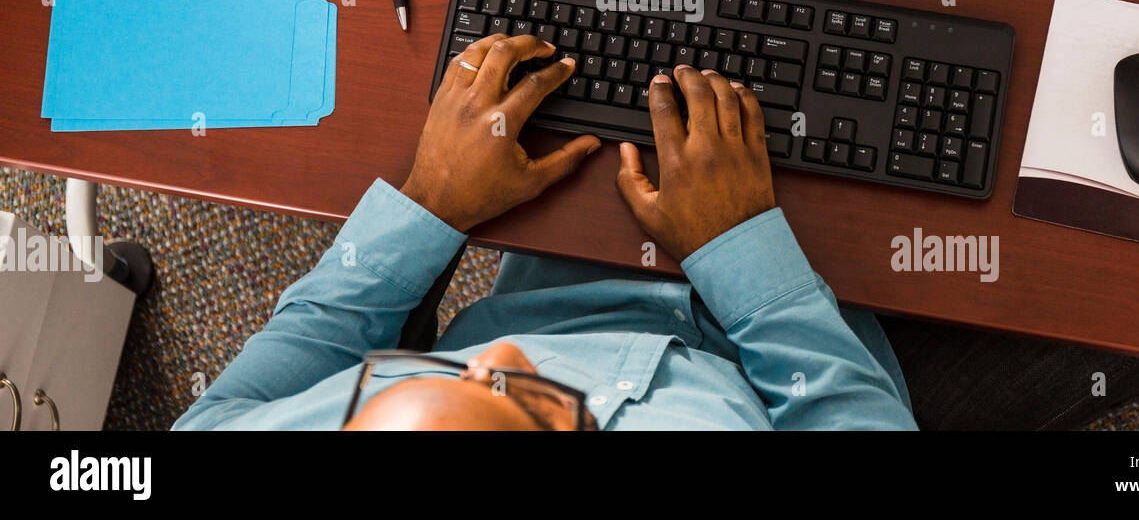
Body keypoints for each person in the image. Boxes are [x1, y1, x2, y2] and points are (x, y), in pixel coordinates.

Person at [173, 33, 918, 430]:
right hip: (794, 328)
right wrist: (744, 249)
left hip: (561, 268)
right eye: (529, 406)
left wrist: (433, 200)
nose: (491, 350)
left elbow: (278, 367)